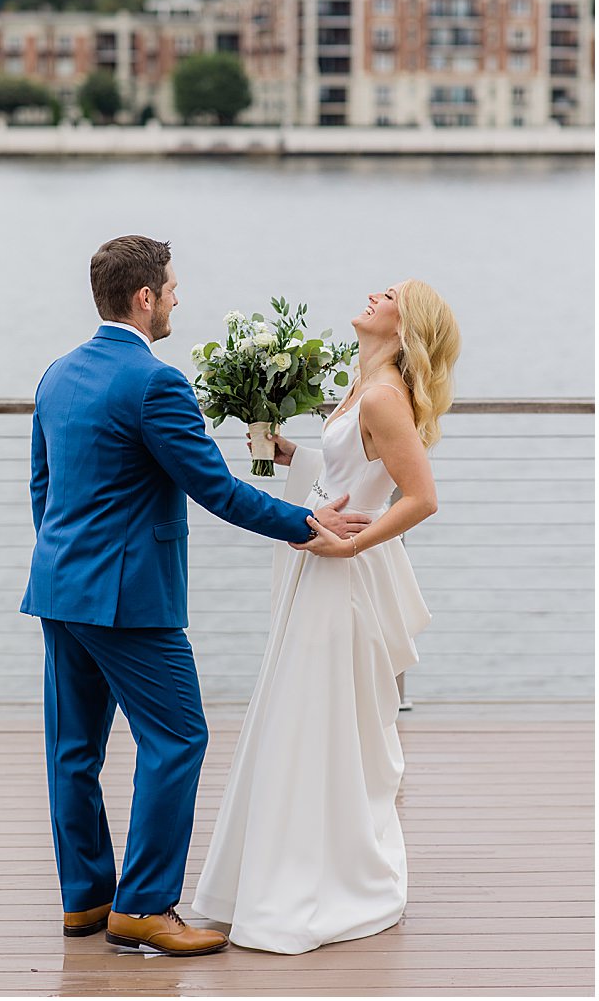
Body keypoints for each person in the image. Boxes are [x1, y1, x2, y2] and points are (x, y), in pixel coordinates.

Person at [20, 235, 370, 955]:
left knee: (73, 751)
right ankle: (144, 905)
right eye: (172, 289)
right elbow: (215, 488)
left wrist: (66, 563)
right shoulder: (156, 383)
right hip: (128, 597)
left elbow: (41, 488)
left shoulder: (57, 374)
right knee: (178, 737)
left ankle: (86, 899)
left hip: (58, 586)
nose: (178, 299)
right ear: (144, 297)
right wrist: (306, 522)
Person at [194, 280, 461, 955]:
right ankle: (279, 872)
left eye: (389, 295)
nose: (374, 295)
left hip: (341, 577)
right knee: (303, 713)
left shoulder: (381, 396)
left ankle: (316, 880)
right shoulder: (361, 384)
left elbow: (420, 496)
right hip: (316, 566)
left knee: (318, 718)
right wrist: (294, 455)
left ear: (404, 324)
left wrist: (351, 545)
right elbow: (353, 469)